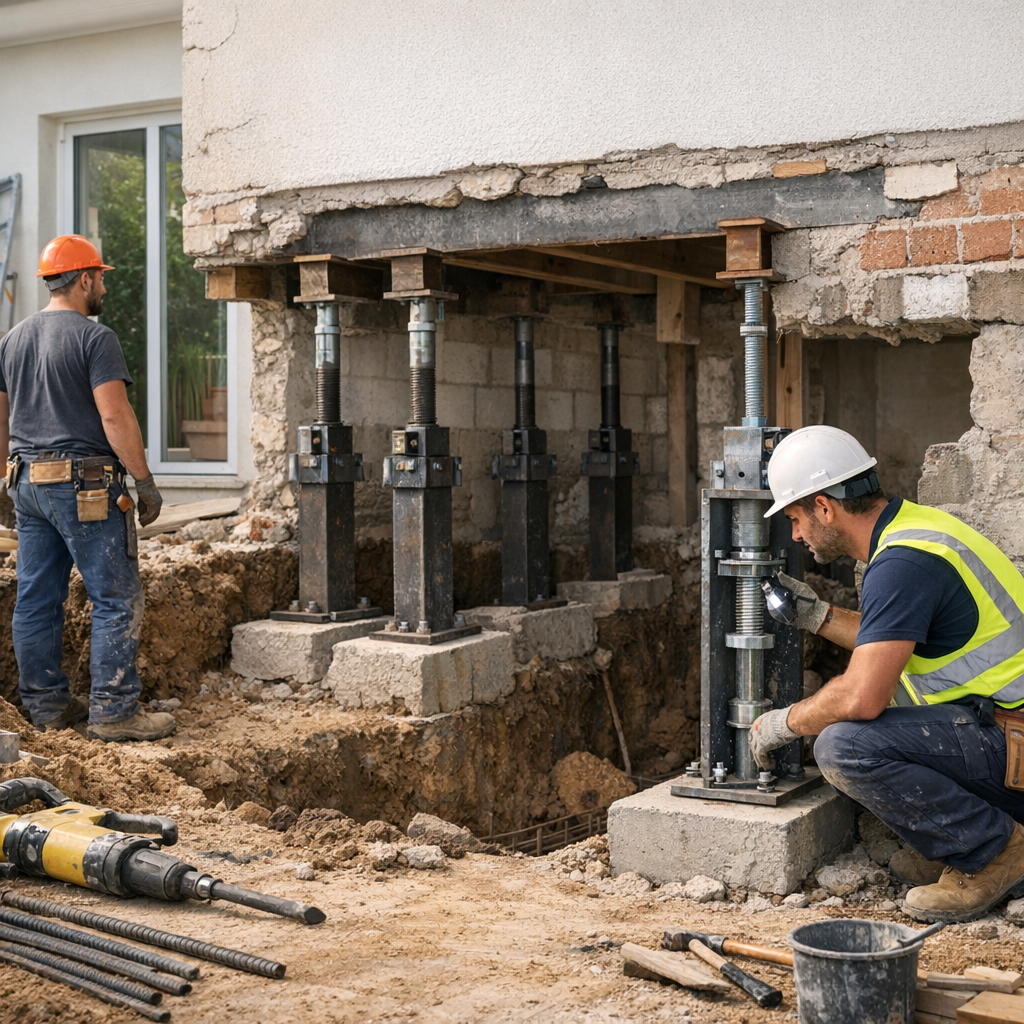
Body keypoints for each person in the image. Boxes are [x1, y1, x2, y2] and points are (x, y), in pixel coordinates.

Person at [749, 425, 1024, 924]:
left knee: (844, 745)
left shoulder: (901, 564)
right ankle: (959, 838)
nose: (795, 535)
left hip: (1014, 748)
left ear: (825, 507)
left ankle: (993, 850)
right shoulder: (915, 531)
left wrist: (783, 722)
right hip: (1006, 730)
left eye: (795, 517)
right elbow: (892, 637)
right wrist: (819, 616)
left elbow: (861, 697)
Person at [0, 235, 175, 741]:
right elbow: (114, 415)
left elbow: (1, 418)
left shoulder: (12, 340)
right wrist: (143, 481)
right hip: (85, 489)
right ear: (84, 279)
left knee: (36, 599)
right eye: (100, 277)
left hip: (27, 483)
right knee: (115, 597)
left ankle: (48, 707)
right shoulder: (94, 338)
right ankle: (115, 712)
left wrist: (2, 479)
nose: (102, 286)